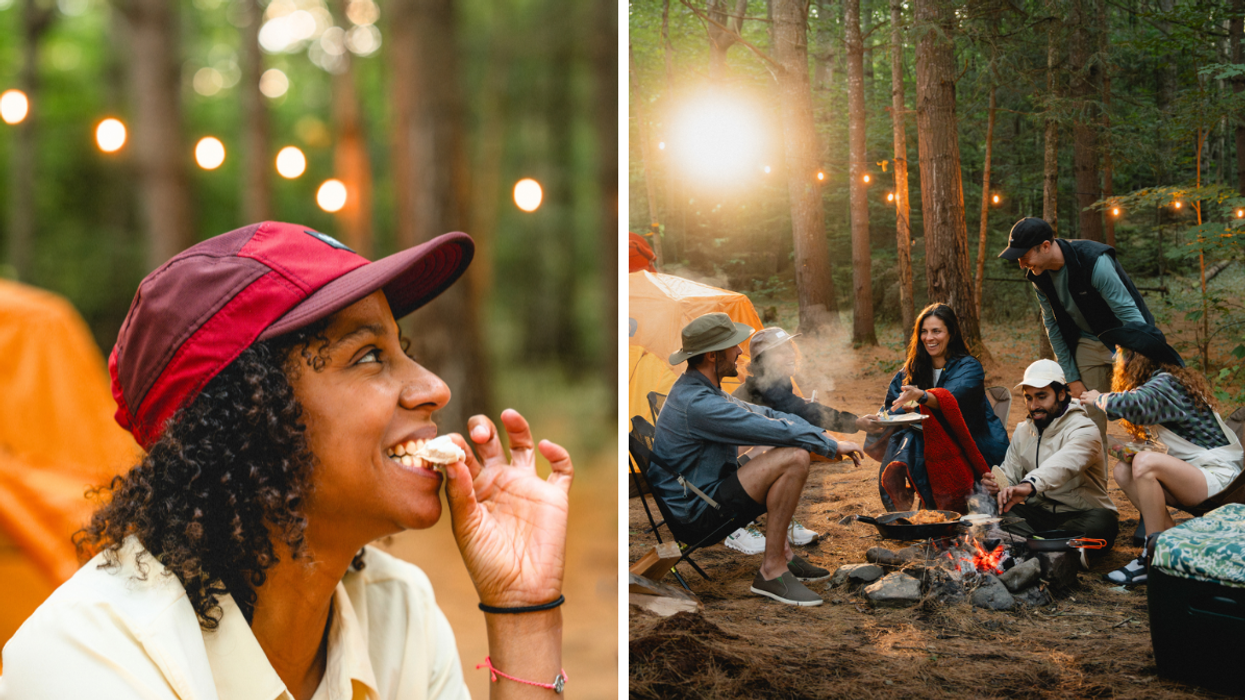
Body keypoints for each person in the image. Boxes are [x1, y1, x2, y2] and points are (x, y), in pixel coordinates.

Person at [0, 222, 573, 699]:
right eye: (369, 355)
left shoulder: (401, 611)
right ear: (247, 417)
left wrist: (524, 610)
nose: (435, 388)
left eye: (406, 349)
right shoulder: (89, 659)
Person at [650, 313, 862, 607]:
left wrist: (824, 436)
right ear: (712, 355)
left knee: (771, 451)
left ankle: (783, 555)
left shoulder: (702, 390)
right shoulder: (698, 403)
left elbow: (768, 415)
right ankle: (771, 570)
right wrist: (829, 444)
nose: (740, 352)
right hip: (698, 513)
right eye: (733, 345)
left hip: (705, 491)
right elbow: (771, 429)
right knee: (794, 457)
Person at [1080, 322, 1243, 586]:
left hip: (1220, 477)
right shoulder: (1159, 384)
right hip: (1196, 472)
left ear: (1136, 356)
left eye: (1120, 351)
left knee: (1143, 463)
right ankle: (1166, 540)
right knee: (1124, 468)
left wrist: (1099, 397)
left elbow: (1133, 403)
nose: (1114, 357)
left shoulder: (1167, 383)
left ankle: (1150, 556)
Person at [997, 217, 1154, 453]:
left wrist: (1141, 356)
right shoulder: (1038, 275)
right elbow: (1053, 325)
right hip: (1087, 343)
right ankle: (1096, 487)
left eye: (1024, 256)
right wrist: (1071, 377)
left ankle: (1153, 468)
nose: (1021, 264)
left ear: (1046, 246)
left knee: (1141, 411)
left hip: (1126, 341)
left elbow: (1128, 312)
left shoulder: (1094, 261)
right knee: (1087, 421)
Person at [727, 326, 882, 553]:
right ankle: (735, 522)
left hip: (745, 463)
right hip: (725, 469)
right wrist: (855, 423)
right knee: (783, 444)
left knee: (784, 442)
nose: (790, 354)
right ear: (764, 361)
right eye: (781, 351)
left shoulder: (778, 382)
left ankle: (781, 517)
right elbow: (802, 413)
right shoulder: (763, 386)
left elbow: (799, 410)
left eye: (789, 347)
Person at [877, 303, 1008, 512]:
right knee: (905, 439)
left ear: (951, 333)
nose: (929, 338)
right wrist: (882, 416)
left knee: (914, 442)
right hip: (925, 440)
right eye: (924, 332)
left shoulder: (968, 366)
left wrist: (921, 396)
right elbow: (894, 404)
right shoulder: (914, 368)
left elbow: (952, 399)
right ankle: (906, 503)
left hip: (971, 440)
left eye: (936, 331)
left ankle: (933, 506)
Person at [981, 359, 1119, 553]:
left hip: (1082, 514)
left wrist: (1029, 485)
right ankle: (1048, 547)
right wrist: (997, 486)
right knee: (990, 509)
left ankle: (1031, 545)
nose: (1034, 405)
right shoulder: (1023, 431)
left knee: (1101, 524)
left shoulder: (1085, 429)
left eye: (1041, 396)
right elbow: (1010, 474)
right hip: (1039, 515)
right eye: (1028, 398)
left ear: (1061, 394)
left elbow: (1062, 465)